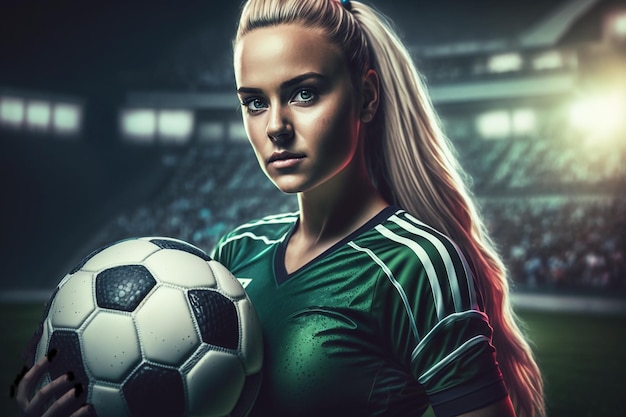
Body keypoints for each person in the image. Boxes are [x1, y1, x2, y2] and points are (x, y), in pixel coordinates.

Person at [13, 0, 544, 416]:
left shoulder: (417, 263)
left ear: (367, 97)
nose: (275, 126)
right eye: (254, 101)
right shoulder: (233, 254)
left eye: (305, 93)